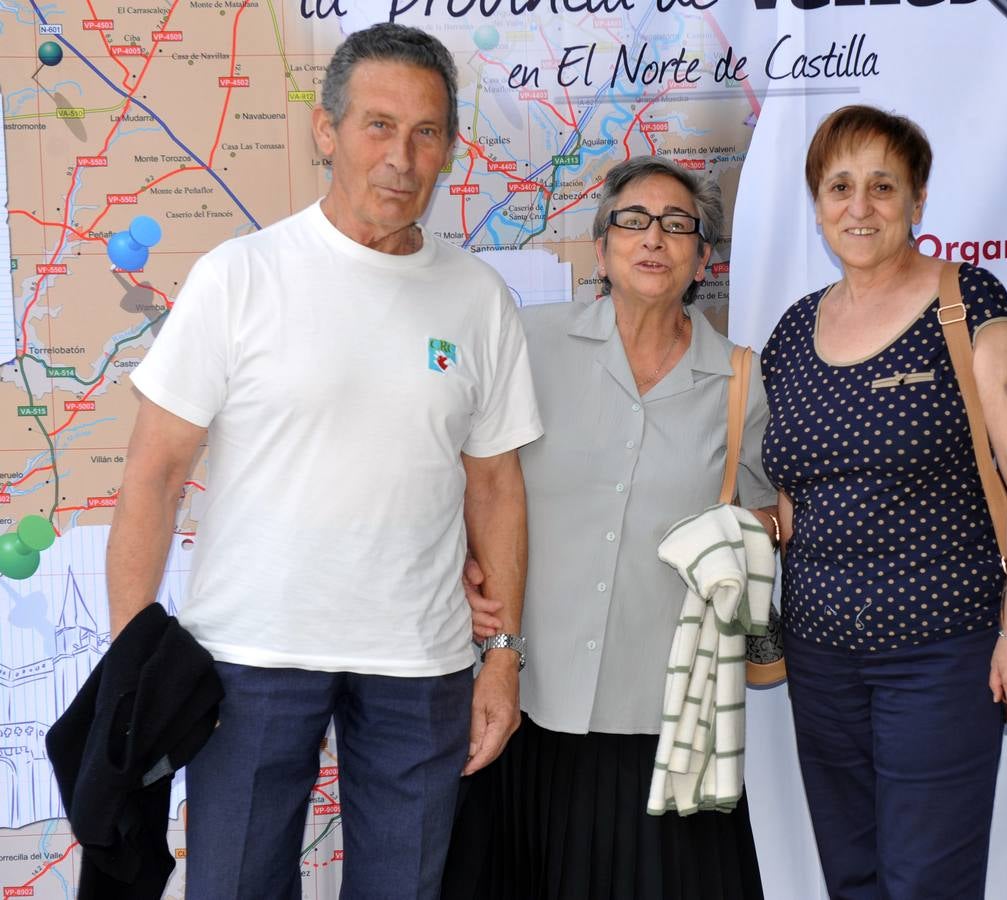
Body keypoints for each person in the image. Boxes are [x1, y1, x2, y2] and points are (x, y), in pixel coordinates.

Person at [106, 24, 542, 899]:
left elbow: (495, 484)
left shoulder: (478, 298)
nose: (402, 157)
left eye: (426, 133)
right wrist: (132, 664)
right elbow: (152, 477)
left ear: (450, 149)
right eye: (377, 126)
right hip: (249, 653)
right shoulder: (241, 276)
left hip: (421, 663)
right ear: (326, 130)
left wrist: (502, 656)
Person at [442, 157, 775, 900]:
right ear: (602, 248)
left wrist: (757, 531)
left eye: (676, 224)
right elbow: (462, 473)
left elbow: (770, 516)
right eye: (632, 220)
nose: (653, 237)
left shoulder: (740, 383)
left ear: (702, 258)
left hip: (667, 718)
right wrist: (454, 559)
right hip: (524, 698)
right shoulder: (526, 344)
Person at [760, 104, 1007, 899]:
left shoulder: (965, 302)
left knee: (926, 880)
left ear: (917, 201)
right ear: (817, 202)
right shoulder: (792, 333)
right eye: (838, 187)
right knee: (853, 877)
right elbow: (793, 497)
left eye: (881, 187)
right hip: (822, 658)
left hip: (941, 652)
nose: (858, 207)